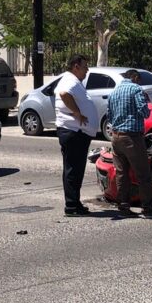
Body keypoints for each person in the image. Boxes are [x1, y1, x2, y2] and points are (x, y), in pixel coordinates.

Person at [107, 69, 152, 218]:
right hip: (132, 137)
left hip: (116, 137)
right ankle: (148, 208)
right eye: (139, 80)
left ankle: (123, 207)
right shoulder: (136, 89)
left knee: (122, 173)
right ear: (135, 77)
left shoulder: (114, 92)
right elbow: (144, 112)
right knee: (143, 174)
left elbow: (109, 115)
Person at [55, 54, 99, 217]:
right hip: (73, 132)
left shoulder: (73, 80)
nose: (87, 70)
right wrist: (77, 113)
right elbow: (64, 94)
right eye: (85, 66)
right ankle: (71, 206)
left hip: (77, 132)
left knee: (76, 169)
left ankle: (75, 203)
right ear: (76, 66)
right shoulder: (69, 80)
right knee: (73, 169)